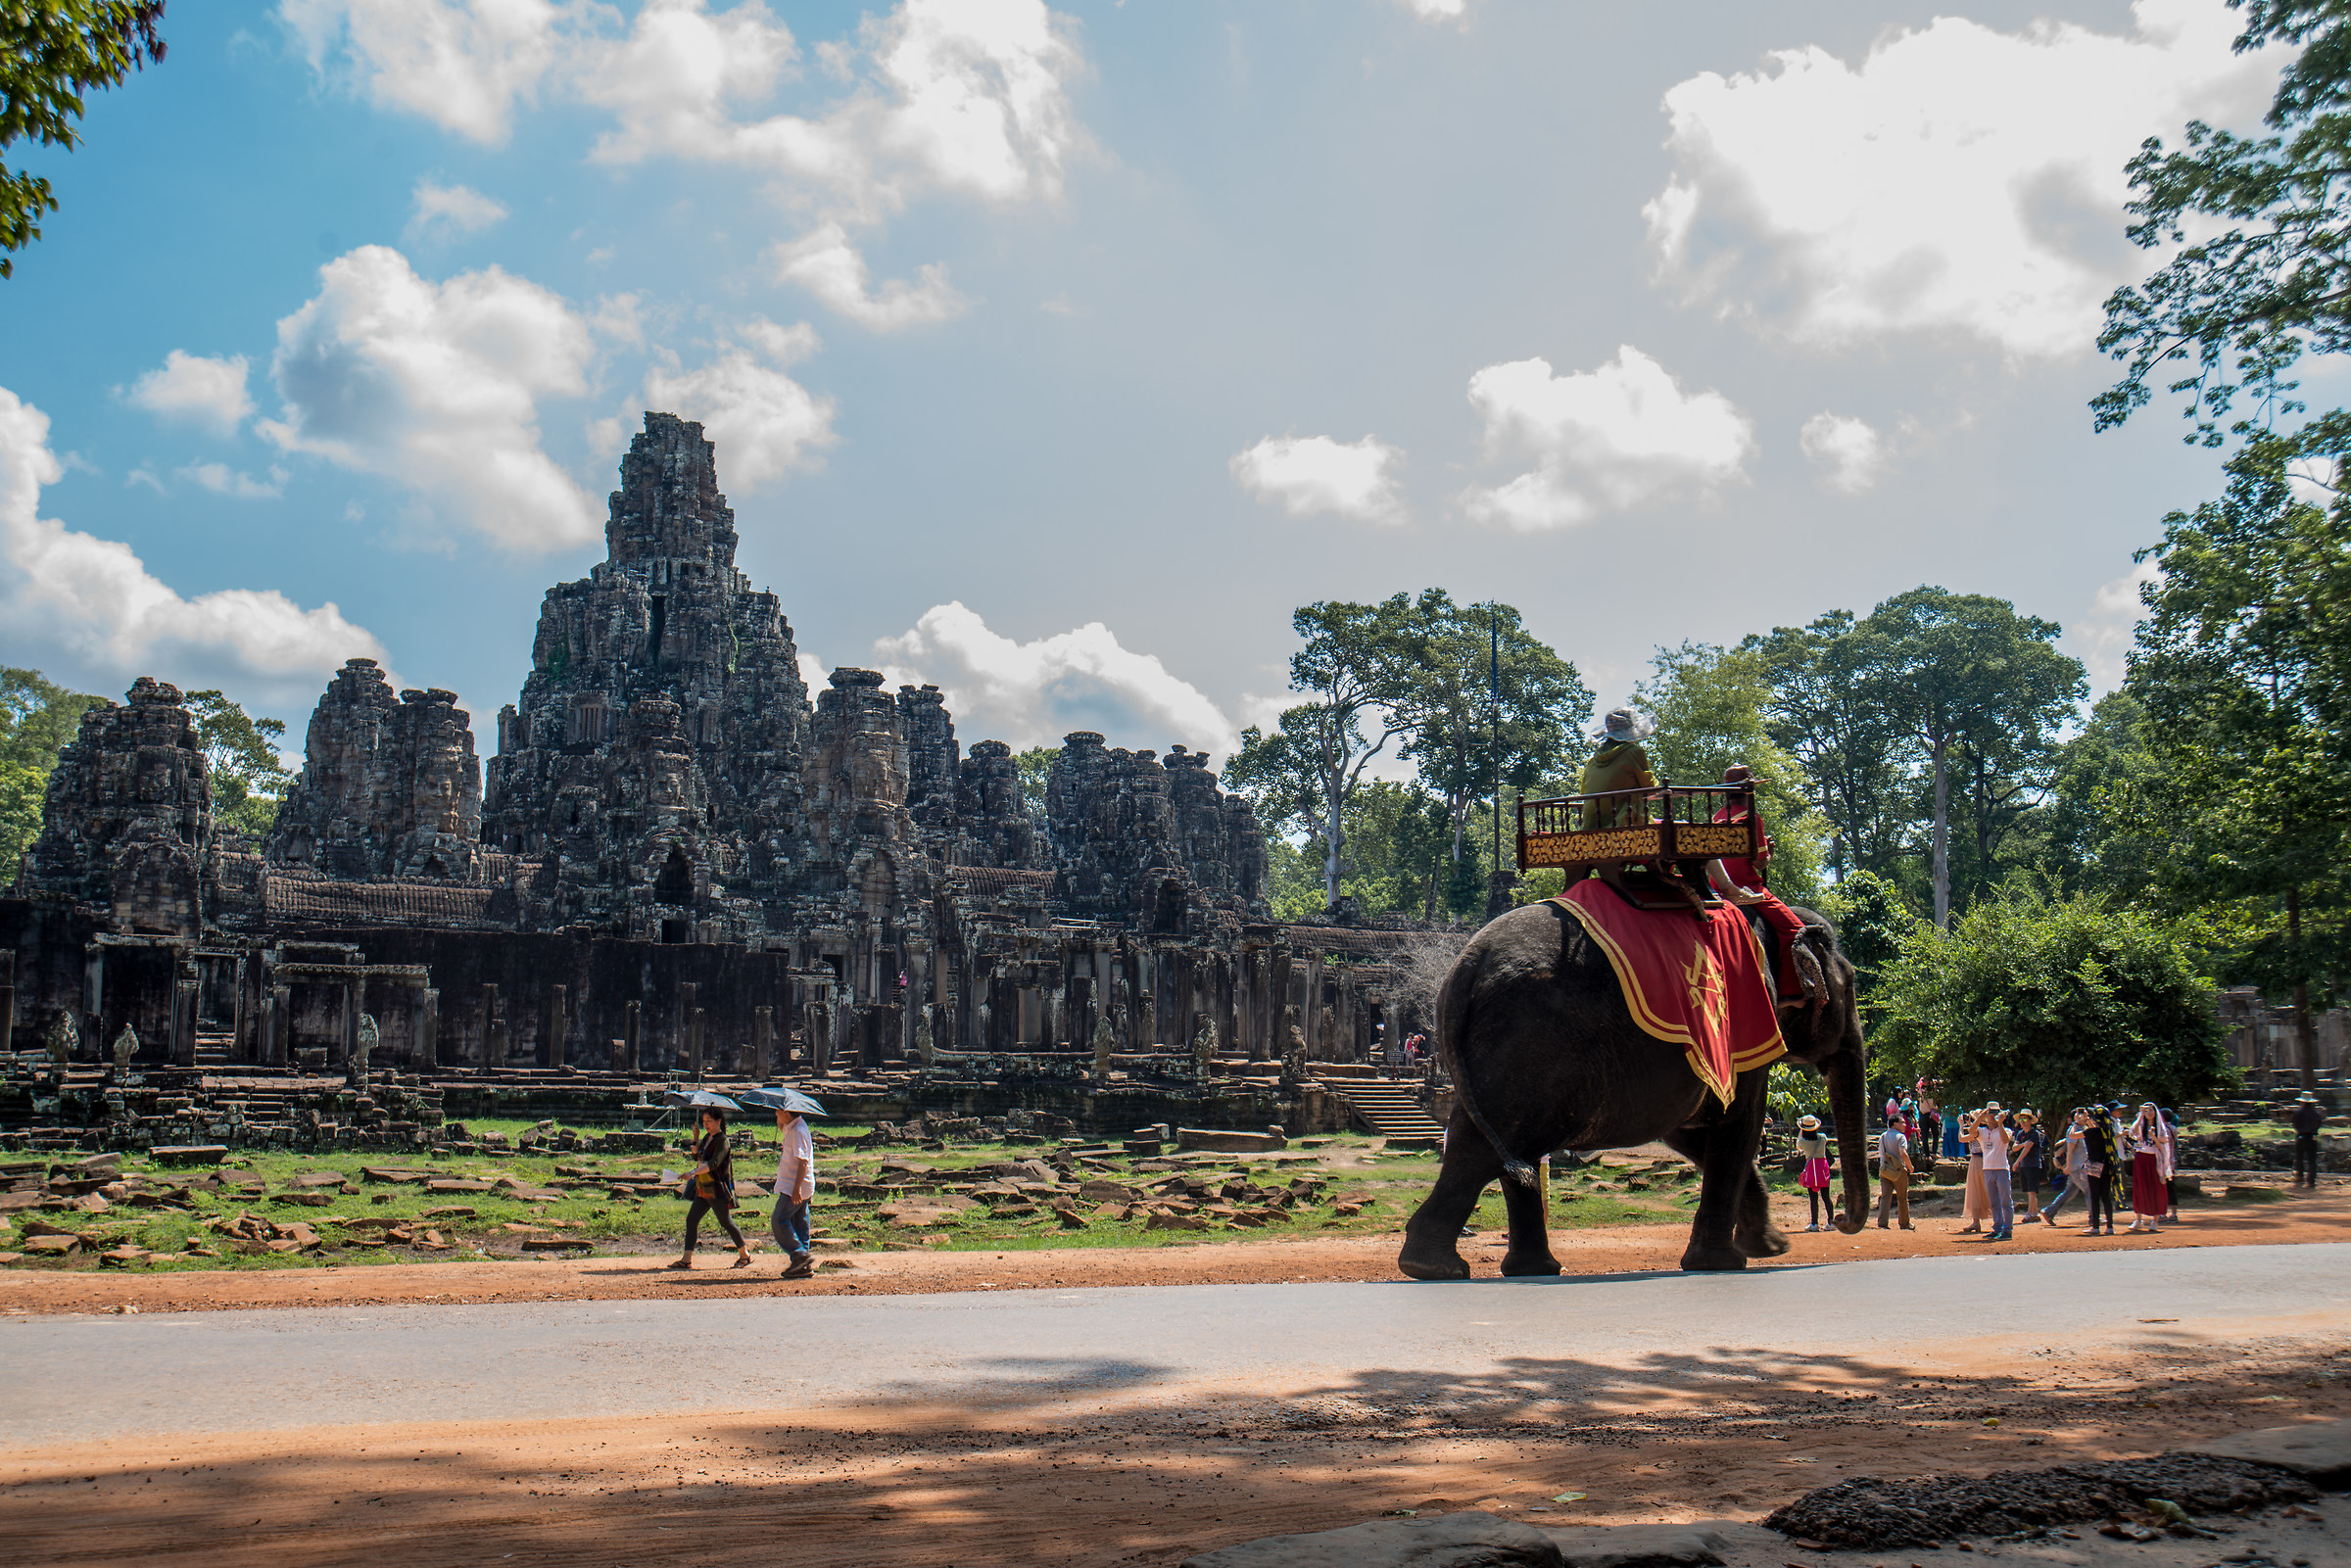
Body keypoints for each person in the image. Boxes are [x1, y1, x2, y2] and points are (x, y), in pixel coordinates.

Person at [1704, 765, 1826, 1003]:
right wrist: (1769, 851)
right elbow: (1760, 863)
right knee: (1794, 930)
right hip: (1750, 889)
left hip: (1717, 888)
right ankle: (1790, 992)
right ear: (1748, 791)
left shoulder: (1717, 816)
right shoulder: (1752, 818)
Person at [668, 1107, 750, 1270]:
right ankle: (686, 1259)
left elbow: (713, 1164)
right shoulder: (707, 1137)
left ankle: (745, 1254)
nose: (705, 1124)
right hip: (703, 1187)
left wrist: (692, 1173)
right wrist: (695, 1138)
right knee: (692, 1220)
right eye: (704, 1121)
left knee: (725, 1221)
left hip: (716, 1187)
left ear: (718, 1121)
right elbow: (697, 1156)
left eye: (709, 1121)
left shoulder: (722, 1141)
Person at [1576, 709, 1657, 831]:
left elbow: (1584, 792)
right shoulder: (1634, 752)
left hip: (1591, 825)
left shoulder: (1594, 760)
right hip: (1623, 824)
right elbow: (1651, 787)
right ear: (1631, 732)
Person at [772, 1106, 817, 1280]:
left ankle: (800, 1255)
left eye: (777, 1112)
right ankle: (802, 1265)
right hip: (796, 1185)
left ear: (786, 1112)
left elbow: (803, 1162)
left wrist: (796, 1188)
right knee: (799, 1224)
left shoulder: (798, 1130)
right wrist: (780, 1123)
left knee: (779, 1219)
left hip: (794, 1186)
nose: (775, 1115)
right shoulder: (793, 1127)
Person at [2125, 1102, 2168, 1234]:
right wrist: (2140, 1116)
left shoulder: (2159, 1127)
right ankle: (2138, 1219)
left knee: (2155, 1188)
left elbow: (2163, 1143)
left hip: (2154, 1159)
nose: (2149, 1113)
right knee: (2139, 1187)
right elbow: (2133, 1133)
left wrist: (2154, 1137)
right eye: (2146, 1110)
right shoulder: (2141, 1124)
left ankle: (2155, 1220)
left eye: (2151, 1110)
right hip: (2141, 1158)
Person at [2040, 1110, 2089, 1223]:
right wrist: (2068, 1166)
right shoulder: (2074, 1129)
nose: (2085, 1116)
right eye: (2082, 1114)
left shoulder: (2081, 1130)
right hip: (2076, 1168)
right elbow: (2070, 1150)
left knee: (2069, 1192)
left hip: (2078, 1167)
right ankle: (2094, 1217)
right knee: (2090, 1190)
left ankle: (2049, 1211)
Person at [1976, 1108, 2014, 1241]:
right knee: (1994, 1202)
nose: (1992, 1115)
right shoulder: (1982, 1131)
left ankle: (2007, 1230)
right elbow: (1970, 1132)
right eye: (1989, 1112)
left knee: (2005, 1201)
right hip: (1988, 1169)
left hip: (2002, 1168)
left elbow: (2005, 1140)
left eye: (1994, 1112)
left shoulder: (2006, 1129)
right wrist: (1980, 1117)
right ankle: (1998, 1227)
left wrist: (2000, 1123)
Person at [2081, 1106, 2117, 1236]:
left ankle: (2095, 1226)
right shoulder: (2108, 1130)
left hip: (2094, 1167)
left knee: (2095, 1196)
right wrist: (2089, 1121)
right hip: (2106, 1166)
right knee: (2106, 1197)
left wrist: (2081, 1122)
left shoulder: (2091, 1132)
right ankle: (2110, 1227)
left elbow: (2075, 1135)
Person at [1795, 1114, 1835, 1231]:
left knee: (1813, 1198)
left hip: (1811, 1169)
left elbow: (1798, 1145)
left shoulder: (1803, 1142)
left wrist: (1801, 1129)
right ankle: (1831, 1222)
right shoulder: (1823, 1138)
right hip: (1822, 1168)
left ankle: (1814, 1224)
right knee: (1826, 1197)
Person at [1875, 1117, 1913, 1229]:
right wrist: (1910, 1166)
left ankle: (1882, 1223)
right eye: (1903, 1122)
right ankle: (1904, 1223)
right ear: (1895, 1124)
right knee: (1902, 1198)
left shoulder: (1882, 1136)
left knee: (1885, 1197)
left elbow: (1882, 1153)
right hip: (1898, 1170)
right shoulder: (1901, 1137)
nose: (1905, 1125)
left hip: (1885, 1170)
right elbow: (1903, 1153)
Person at [2009, 1110, 2045, 1223]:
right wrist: (2023, 1144)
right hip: (2025, 1165)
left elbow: (2027, 1148)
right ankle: (2034, 1213)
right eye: (2021, 1119)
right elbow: (2015, 1147)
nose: (2022, 1122)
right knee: (2029, 1190)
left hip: (2033, 1164)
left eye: (2025, 1119)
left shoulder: (2034, 1134)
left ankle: (2031, 1213)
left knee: (2032, 1191)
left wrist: (2017, 1162)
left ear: (2030, 1121)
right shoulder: (2020, 1134)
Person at [1958, 1112, 1988, 1233]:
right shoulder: (1983, 1131)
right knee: (1980, 1190)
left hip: (1978, 1161)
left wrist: (1961, 1125)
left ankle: (1976, 1222)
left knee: (1975, 1190)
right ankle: (1976, 1221)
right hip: (1982, 1160)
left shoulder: (1978, 1132)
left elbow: (1961, 1138)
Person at [2291, 1091, 2326, 1187]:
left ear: (2302, 1102)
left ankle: (2299, 1176)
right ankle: (2311, 1181)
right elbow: (2319, 1124)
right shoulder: (2315, 1113)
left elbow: (2295, 1124)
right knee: (2312, 1160)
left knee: (2299, 1158)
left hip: (2301, 1136)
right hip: (2312, 1137)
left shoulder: (2298, 1112)